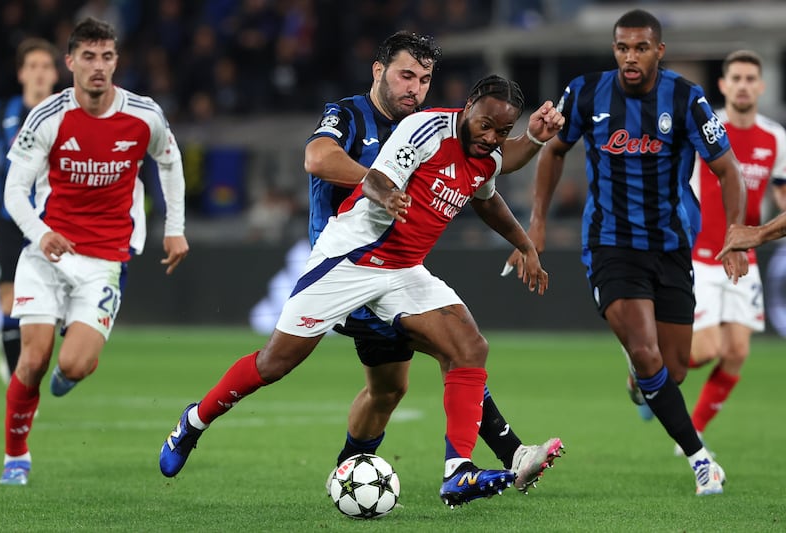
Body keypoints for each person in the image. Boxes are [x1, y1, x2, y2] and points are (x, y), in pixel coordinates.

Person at [160, 74, 565, 508]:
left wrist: (526, 218)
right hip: (351, 258)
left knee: (470, 347)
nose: (491, 138)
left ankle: (458, 471)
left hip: (404, 271)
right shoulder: (426, 129)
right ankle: (194, 421)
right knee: (274, 362)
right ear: (468, 106)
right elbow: (378, 175)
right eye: (486, 124)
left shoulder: (487, 155)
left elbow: (490, 191)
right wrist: (387, 193)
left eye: (502, 131)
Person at [304, 31, 563, 496]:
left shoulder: (435, 127)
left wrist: (534, 139)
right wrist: (383, 181)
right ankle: (504, 456)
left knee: (388, 390)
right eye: (406, 76)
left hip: (395, 271)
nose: (415, 88)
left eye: (424, 80)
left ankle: (347, 473)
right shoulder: (349, 115)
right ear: (378, 71)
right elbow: (318, 157)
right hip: (347, 266)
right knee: (460, 348)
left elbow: (491, 168)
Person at [515, 9, 747, 496]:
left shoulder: (687, 99)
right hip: (610, 245)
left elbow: (726, 169)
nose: (630, 57)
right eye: (622, 47)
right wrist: (535, 224)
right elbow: (554, 151)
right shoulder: (584, 92)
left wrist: (736, 232)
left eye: (641, 48)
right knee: (645, 353)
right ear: (614, 49)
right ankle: (702, 461)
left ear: (658, 51)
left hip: (669, 245)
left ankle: (643, 380)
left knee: (673, 369)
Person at [0, 18, 189, 486]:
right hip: (48, 254)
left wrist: (175, 229)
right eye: (88, 56)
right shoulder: (47, 117)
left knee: (73, 365)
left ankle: (71, 371)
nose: (98, 66)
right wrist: (40, 233)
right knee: (32, 360)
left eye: (106, 56)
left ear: (116, 61)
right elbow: (13, 191)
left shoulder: (143, 115)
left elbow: (171, 162)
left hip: (106, 260)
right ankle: (15, 456)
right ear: (71, 63)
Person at [677, 50, 786, 455]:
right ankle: (646, 367)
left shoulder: (775, 137)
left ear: (761, 86)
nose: (742, 85)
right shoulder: (706, 127)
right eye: (735, 78)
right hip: (702, 255)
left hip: (746, 258)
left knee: (737, 352)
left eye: (749, 78)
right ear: (723, 86)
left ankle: (695, 429)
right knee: (707, 350)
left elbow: (781, 190)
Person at [0, 38, 59, 384]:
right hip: (8, 219)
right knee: (8, 297)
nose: (39, 73)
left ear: (55, 73)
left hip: (52, 222)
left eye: (46, 66)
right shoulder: (2, 112)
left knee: (50, 303)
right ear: (21, 73)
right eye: (33, 66)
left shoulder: (65, 114)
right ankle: (20, 380)